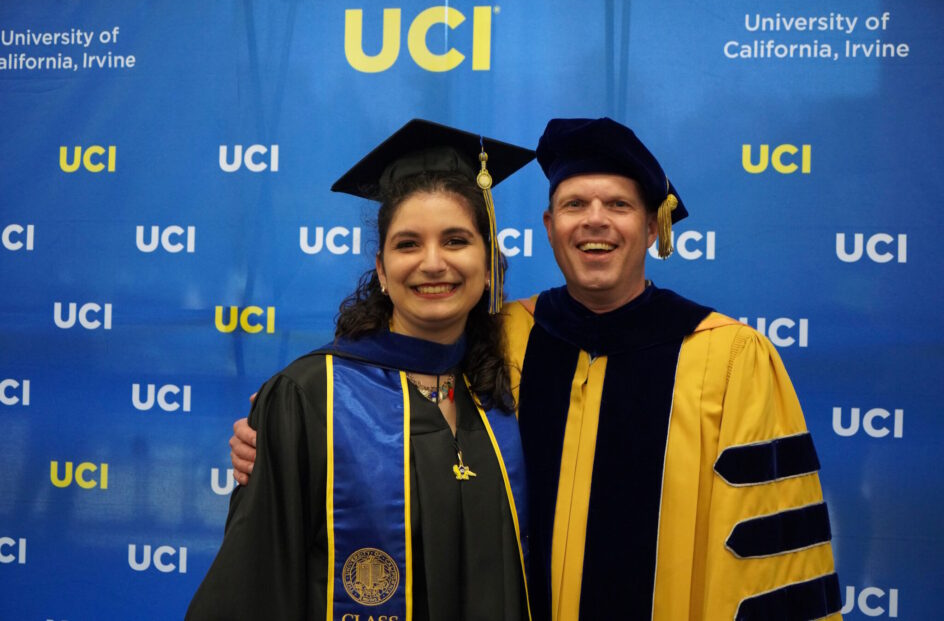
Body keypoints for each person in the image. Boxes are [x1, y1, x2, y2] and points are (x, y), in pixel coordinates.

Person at [230, 118, 843, 620]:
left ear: (653, 223)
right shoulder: (507, 336)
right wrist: (283, 427)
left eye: (620, 205)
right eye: (575, 203)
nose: (595, 220)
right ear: (550, 228)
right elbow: (380, 381)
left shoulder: (731, 358)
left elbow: (772, 556)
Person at [188, 119, 535, 621]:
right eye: (408, 244)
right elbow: (253, 584)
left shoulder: (507, 392)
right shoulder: (311, 397)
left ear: (489, 267)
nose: (433, 263)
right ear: (380, 269)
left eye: (457, 240)